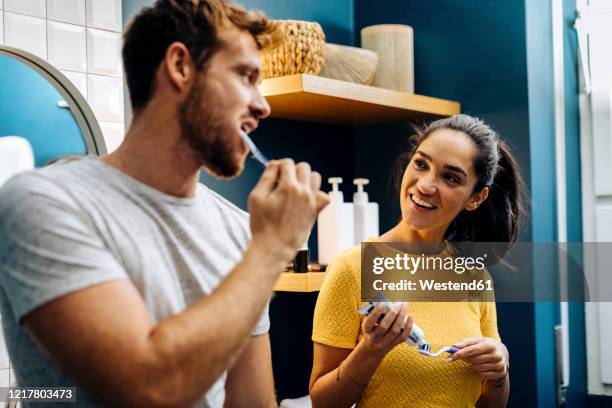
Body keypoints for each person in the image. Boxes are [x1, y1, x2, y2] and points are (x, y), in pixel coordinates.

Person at [0, 1, 329, 407]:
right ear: (180, 66)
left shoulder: (241, 231)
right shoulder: (42, 203)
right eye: (246, 76)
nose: (263, 106)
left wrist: (263, 247)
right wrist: (273, 248)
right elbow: (151, 388)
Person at [309, 114, 524, 408]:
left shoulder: (475, 277)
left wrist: (499, 373)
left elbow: (491, 404)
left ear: (476, 198)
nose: (425, 185)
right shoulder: (351, 268)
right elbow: (323, 402)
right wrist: (371, 350)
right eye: (421, 164)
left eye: (450, 177)